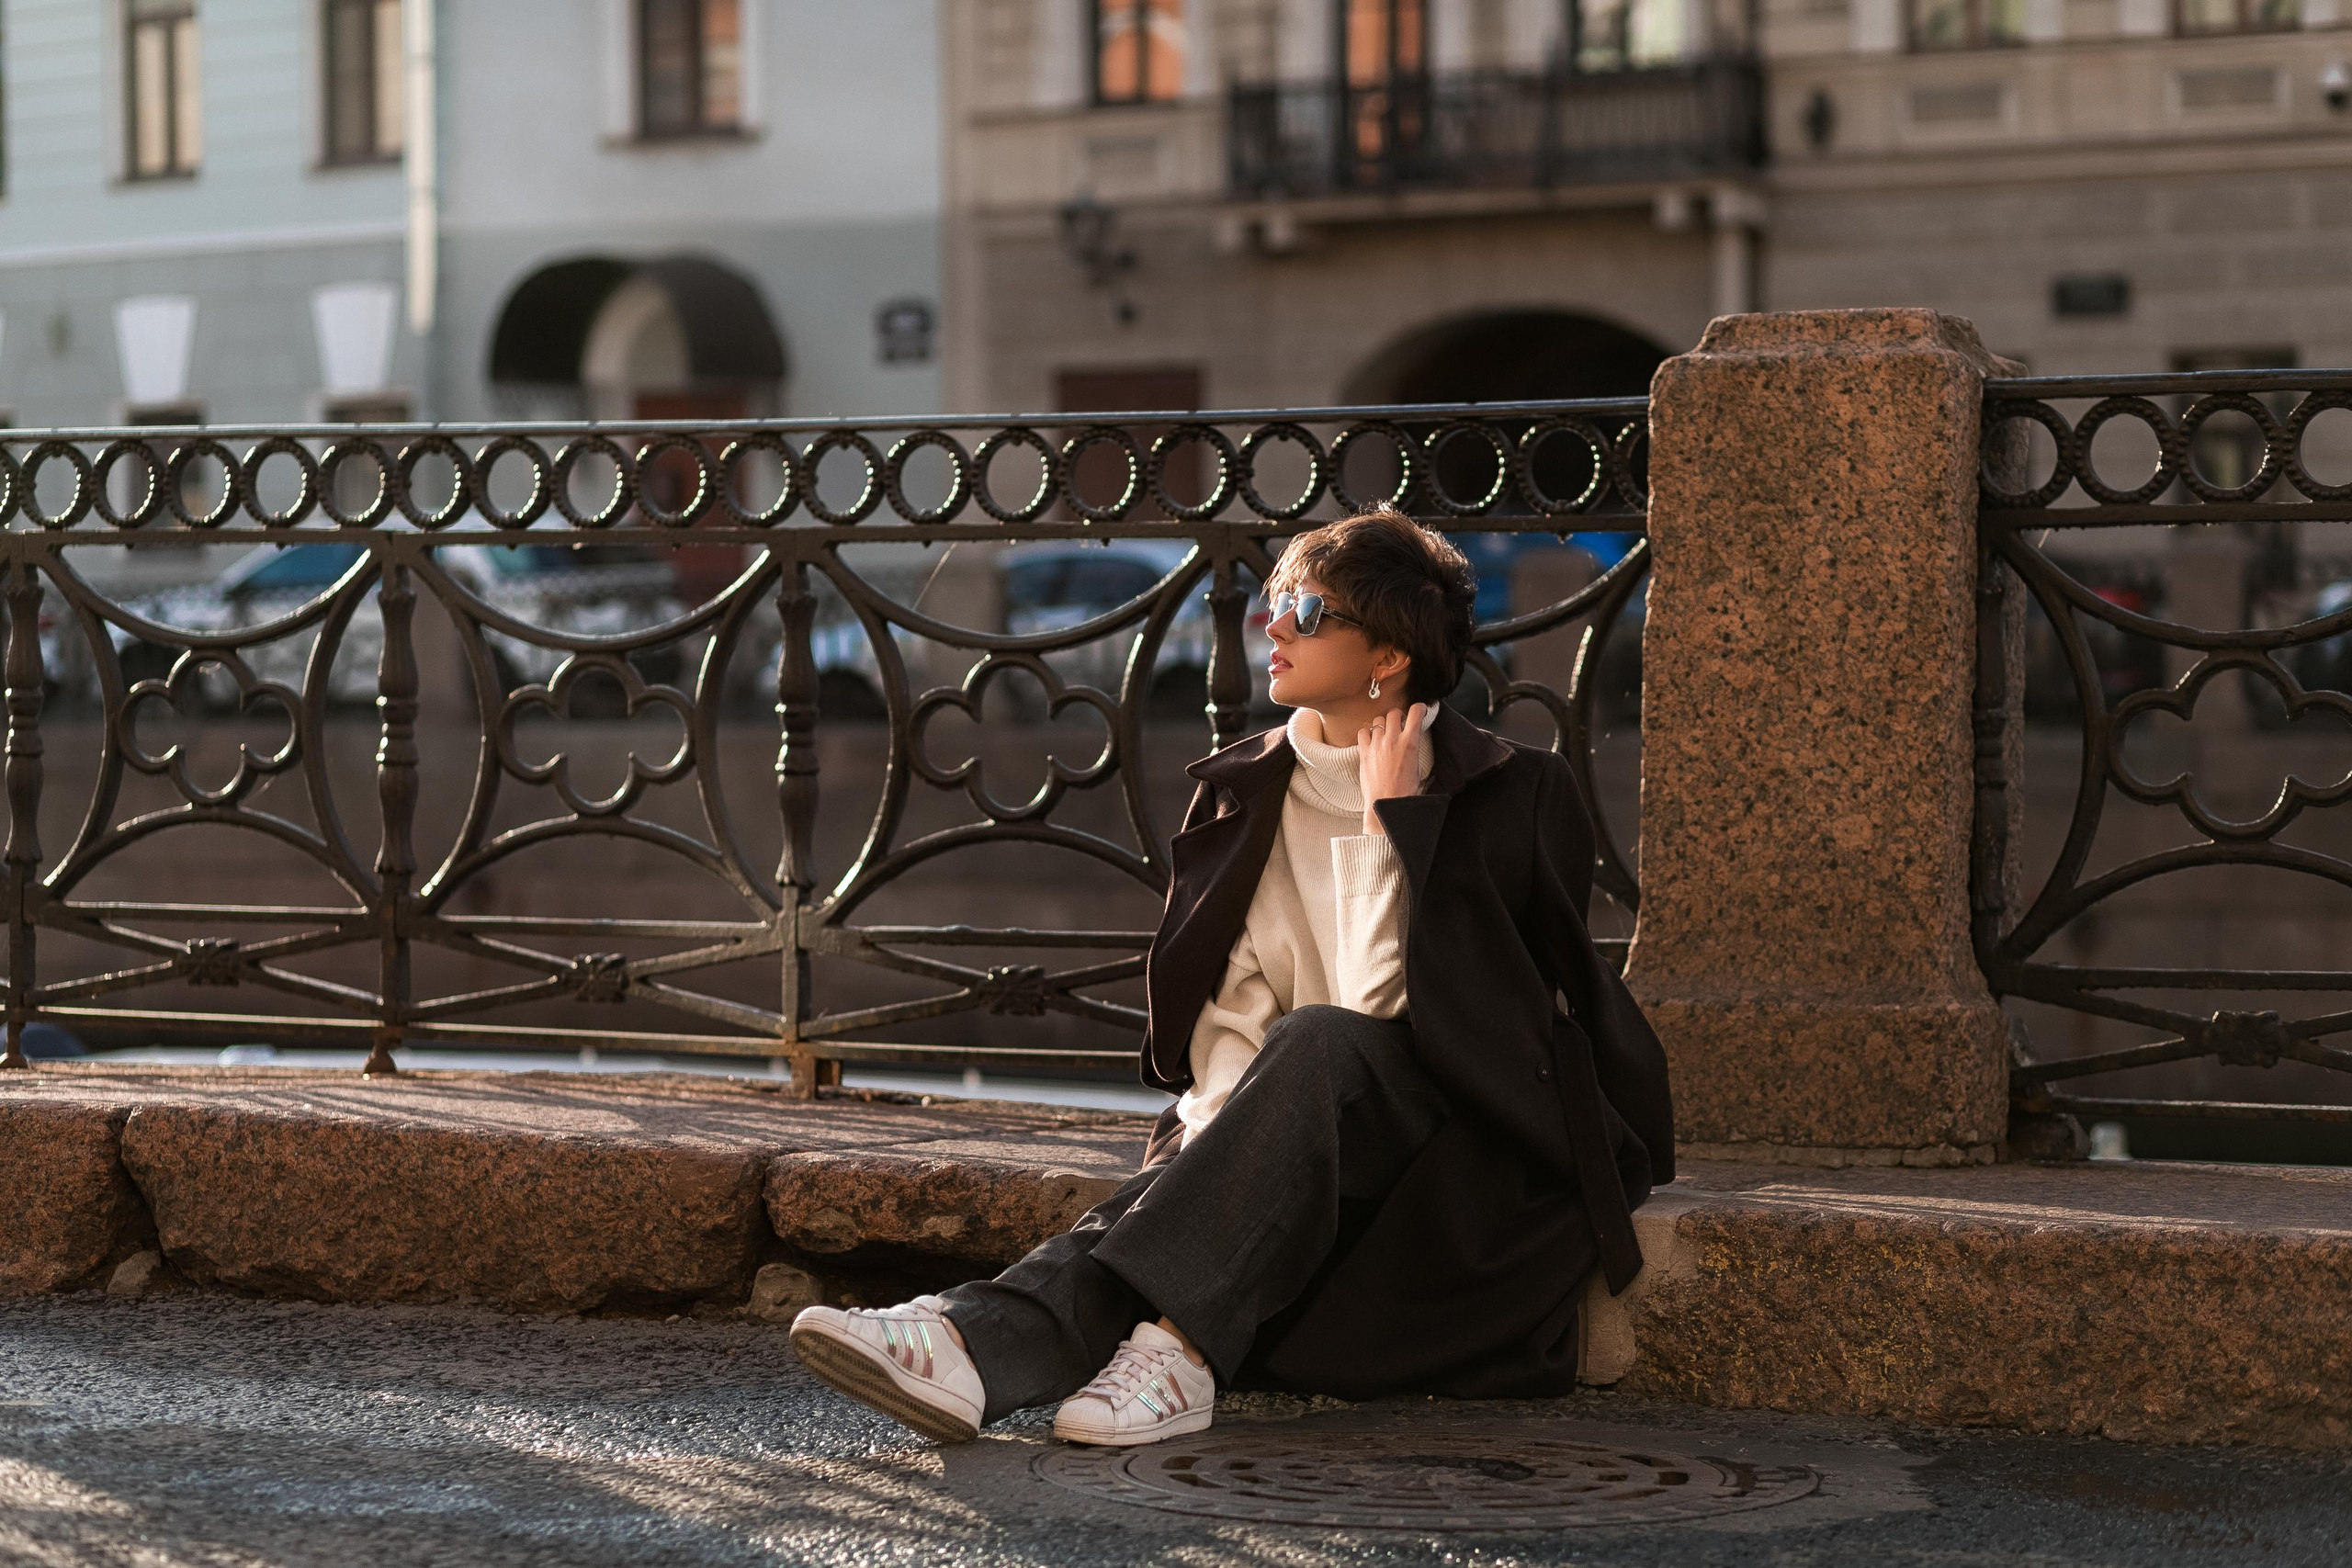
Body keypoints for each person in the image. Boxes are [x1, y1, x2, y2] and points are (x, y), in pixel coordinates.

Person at [788, 507, 1673, 1448]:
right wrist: (1212, 1158)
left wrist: (1388, 831)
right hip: (1289, 1126)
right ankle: (1106, 1353)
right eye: (1275, 600)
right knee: (1288, 1059)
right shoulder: (1244, 786)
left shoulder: (1511, 790)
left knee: (1321, 1039)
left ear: (1389, 654)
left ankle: (1062, 1340)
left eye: (1307, 609)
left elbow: (1396, 1014)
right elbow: (1229, 1020)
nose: (1272, 625)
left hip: (1452, 1144)